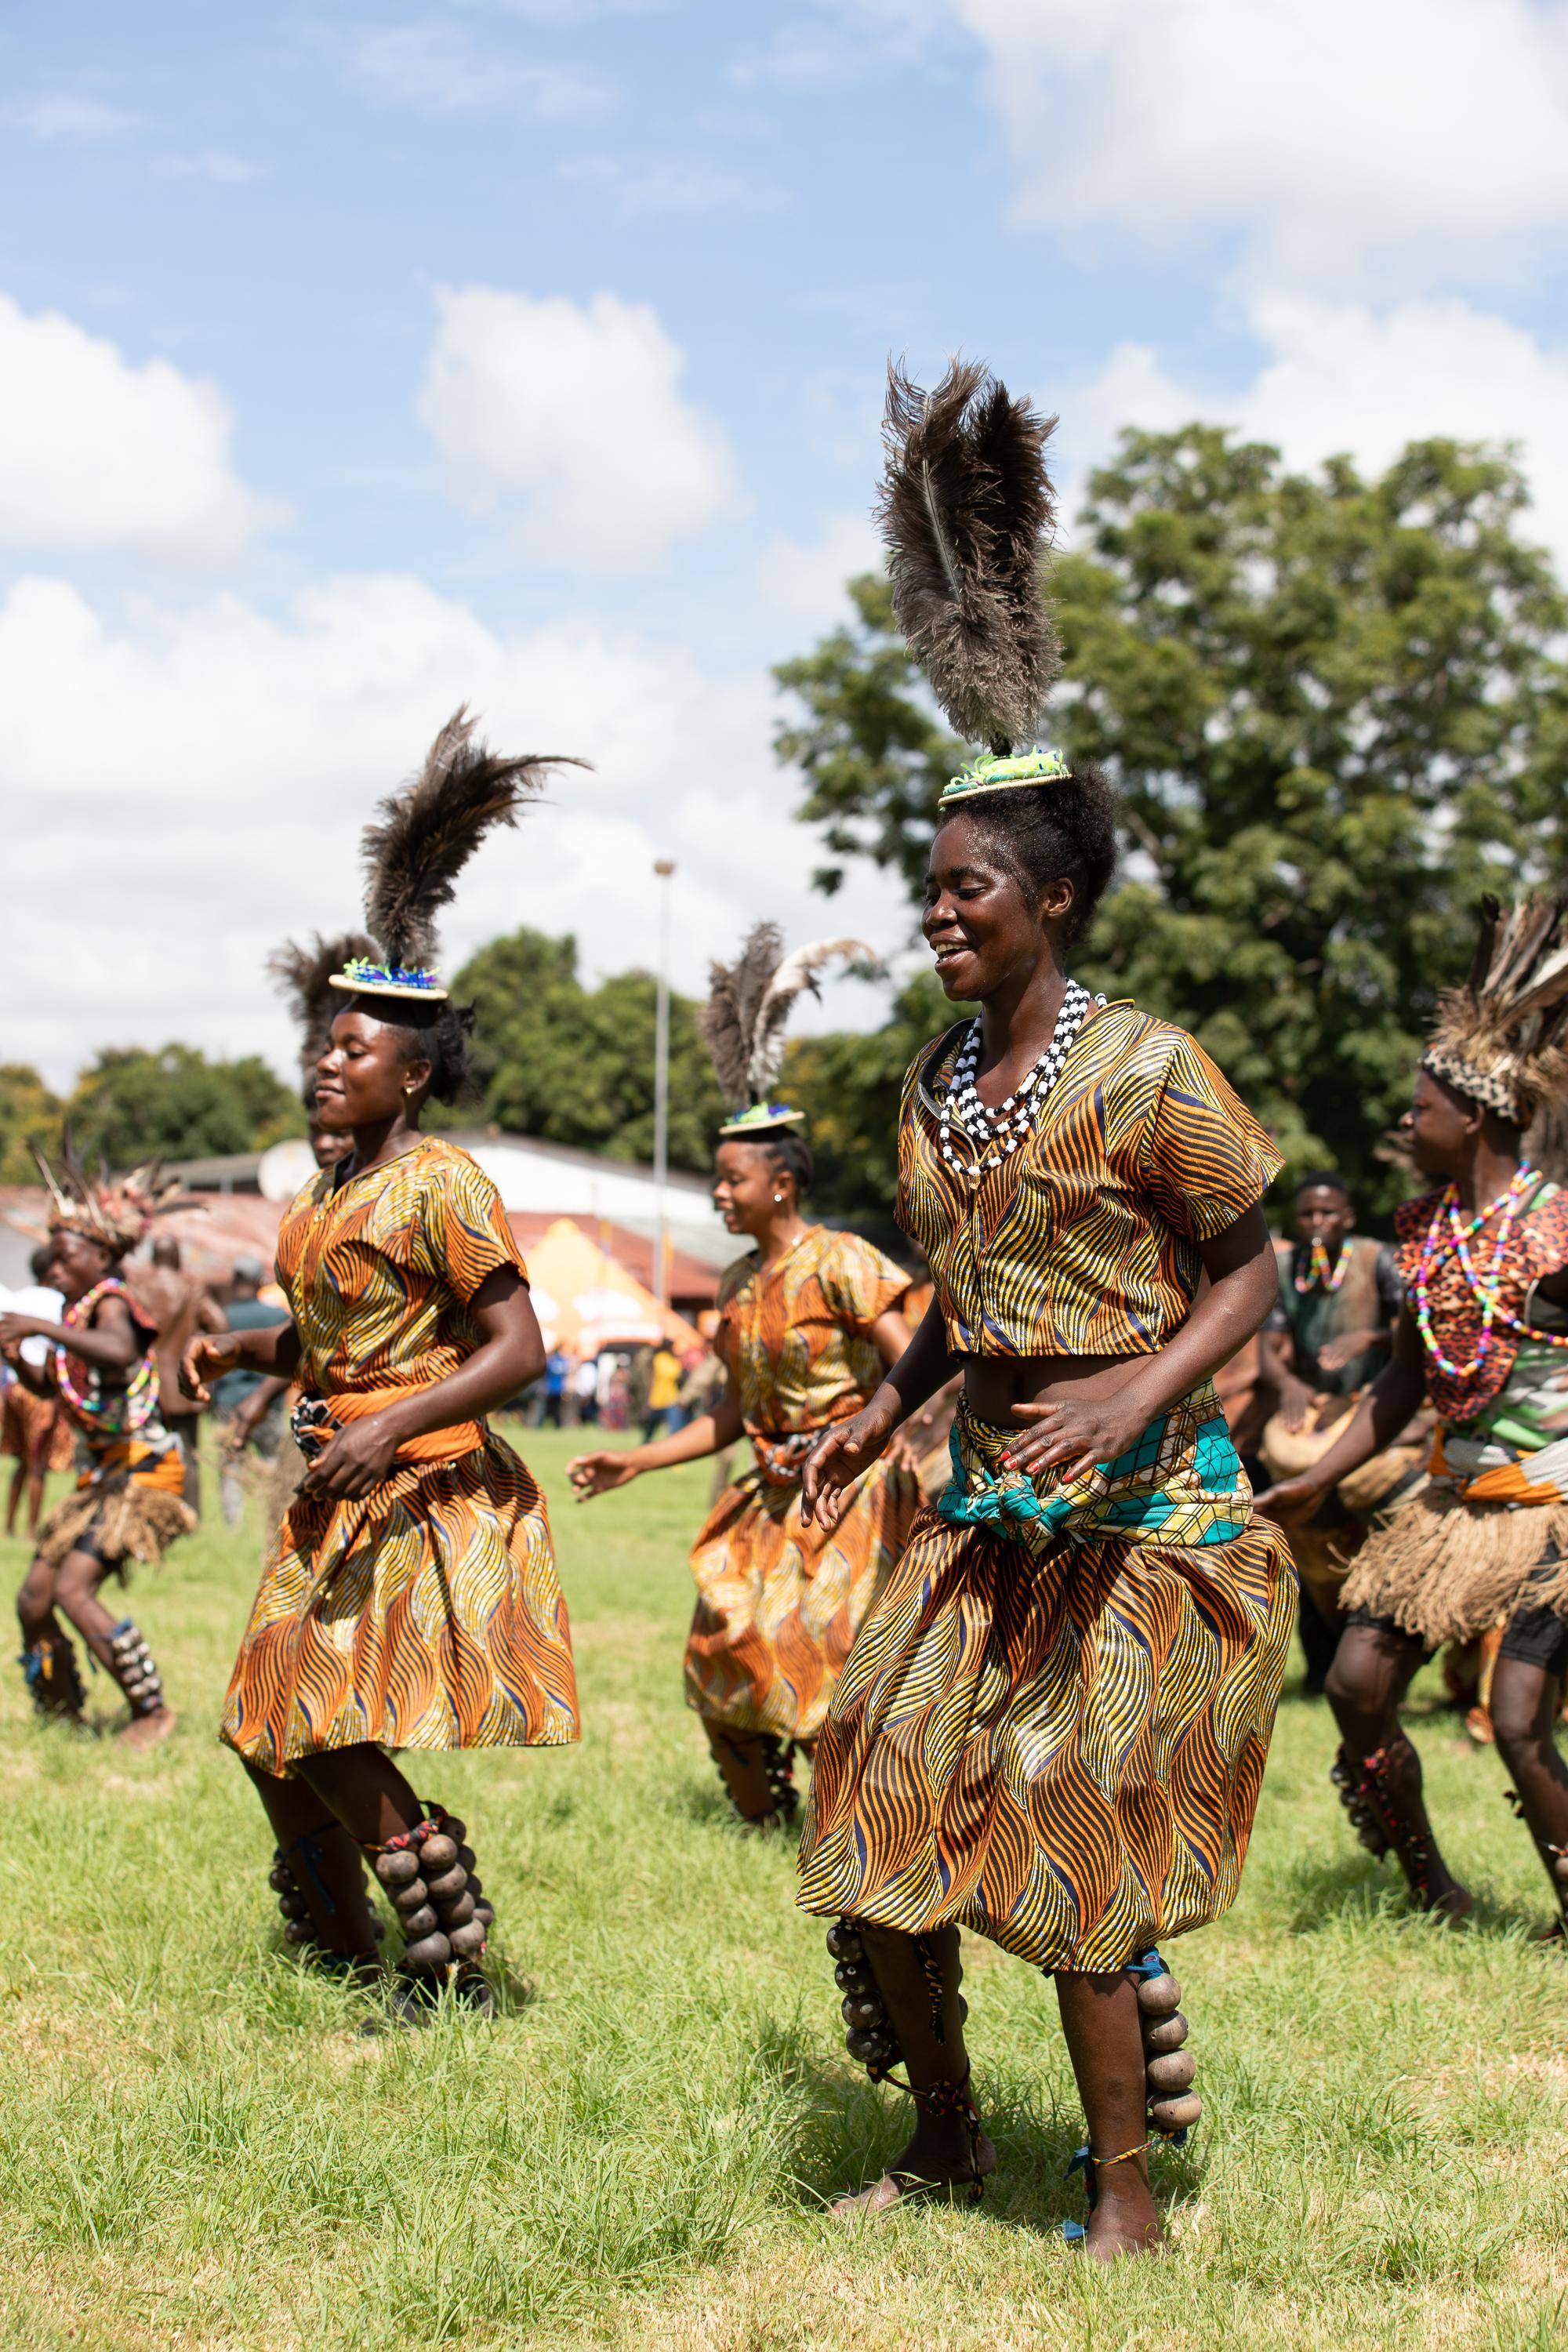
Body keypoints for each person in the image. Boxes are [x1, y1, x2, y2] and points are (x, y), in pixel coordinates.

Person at [793, 361, 1293, 2254]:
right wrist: (887, 1395)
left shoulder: (1154, 1068)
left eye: (970, 888)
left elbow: (1248, 1266)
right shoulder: (925, 1079)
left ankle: (1124, 2202)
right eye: (925, 887)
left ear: (1056, 896)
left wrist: (1130, 1399)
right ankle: (936, 2135)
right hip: (978, 1505)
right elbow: (959, 1291)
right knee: (872, 1815)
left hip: (1147, 1515)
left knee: (1076, 1838)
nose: (938, 912)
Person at [182, 710, 583, 2016]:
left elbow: (519, 1347)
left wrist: (386, 1426)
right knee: (266, 1725)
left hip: (413, 1484)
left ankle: (445, 1948)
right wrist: (240, 1345)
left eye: (352, 1052)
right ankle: (341, 1930)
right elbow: (318, 1337)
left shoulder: (444, 1184)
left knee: (326, 1724)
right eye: (322, 1046)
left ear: (410, 1075)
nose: (324, 1063)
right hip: (332, 1476)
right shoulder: (320, 1195)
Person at [1259, 895, 1568, 1930]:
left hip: (1555, 1509)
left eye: (1420, 1107)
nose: (1406, 1122)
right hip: (1451, 1500)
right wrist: (1316, 1476)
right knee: (1353, 1685)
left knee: (1521, 1724)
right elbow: (1400, 1381)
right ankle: (1431, 1885)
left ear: (1473, 1117)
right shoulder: (1427, 1234)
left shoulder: (1557, 1226)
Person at [569, 923, 921, 1828]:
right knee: (719, 1645)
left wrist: (896, 1461)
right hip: (766, 1496)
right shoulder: (733, 1284)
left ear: (782, 1184)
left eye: (732, 1181)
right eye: (715, 1181)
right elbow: (730, 1410)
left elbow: (912, 1368)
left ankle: (856, 1833)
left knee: (821, 1657)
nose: (718, 1195)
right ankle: (763, 1817)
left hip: (847, 1491)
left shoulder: (842, 1261)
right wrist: (633, 1464)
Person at [0, 1155, 197, 1746]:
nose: (55, 1266)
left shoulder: (112, 1300)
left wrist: (40, 1331)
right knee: (34, 1598)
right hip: (102, 1479)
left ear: (104, 1258)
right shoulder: (74, 1312)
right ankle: (61, 1711)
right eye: (52, 1257)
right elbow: (54, 1387)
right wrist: (17, 1357)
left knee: (72, 1590)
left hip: (143, 1474)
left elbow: (117, 1353)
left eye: (67, 1257)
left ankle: (152, 1710)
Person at [1257, 1173, 1416, 1685]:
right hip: (1318, 1410)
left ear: (1348, 1216)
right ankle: (1320, 1664)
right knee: (1310, 1542)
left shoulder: (1380, 1260)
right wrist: (1287, 1385)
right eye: (1307, 1214)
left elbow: (1414, 1338)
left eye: (1328, 1213)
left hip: (1375, 1410)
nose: (1317, 1222)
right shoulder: (1287, 1269)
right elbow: (1268, 1347)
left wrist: (1369, 1338)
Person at [128, 1234, 227, 1514]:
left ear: (153, 1258)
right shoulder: (192, 1288)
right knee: (189, 1454)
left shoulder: (137, 1288)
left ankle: (147, 1511)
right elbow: (220, 1324)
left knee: (146, 1451)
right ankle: (189, 1513)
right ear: (177, 1258)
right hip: (183, 1384)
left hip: (145, 1383)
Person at [2, 1245, 74, 1537]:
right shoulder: (58, 1302)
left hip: (14, 1388)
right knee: (38, 1463)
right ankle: (32, 1529)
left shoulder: (17, 1299)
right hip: (39, 1391)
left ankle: (8, 1526)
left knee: (21, 1459)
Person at [214, 1255, 289, 1526]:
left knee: (231, 1462)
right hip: (268, 1403)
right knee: (272, 1461)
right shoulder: (278, 1316)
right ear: (260, 1281)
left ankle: (233, 1523)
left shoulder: (222, 1318)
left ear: (234, 1280)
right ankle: (279, 1515)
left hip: (230, 1402)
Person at [641, 1340, 681, 1443]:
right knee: (651, 1429)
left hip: (669, 1399)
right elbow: (673, 1373)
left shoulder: (669, 1359)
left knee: (672, 1430)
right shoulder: (661, 1359)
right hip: (658, 1398)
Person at [540, 1346, 569, 1428]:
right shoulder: (564, 1361)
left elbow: (545, 1375)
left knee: (547, 1408)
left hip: (550, 1388)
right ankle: (558, 1425)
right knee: (558, 1409)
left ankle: (542, 1424)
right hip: (560, 1389)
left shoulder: (550, 1361)